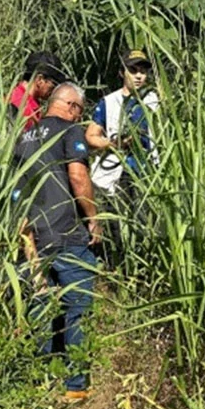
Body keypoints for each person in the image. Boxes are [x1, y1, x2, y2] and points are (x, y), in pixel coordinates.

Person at [12, 82, 102, 401]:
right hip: (67, 236)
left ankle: (38, 386)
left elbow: (16, 197)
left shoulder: (23, 139)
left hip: (34, 242)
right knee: (78, 309)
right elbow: (78, 178)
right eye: (81, 108)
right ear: (73, 108)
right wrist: (93, 218)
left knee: (39, 310)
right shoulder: (70, 131)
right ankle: (76, 387)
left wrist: (26, 243)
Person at [85, 50, 160, 270]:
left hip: (147, 170)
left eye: (143, 71)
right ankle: (119, 268)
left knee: (146, 222)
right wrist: (115, 144)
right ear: (122, 73)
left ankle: (145, 268)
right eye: (133, 70)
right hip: (119, 172)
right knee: (119, 223)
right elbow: (91, 136)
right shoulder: (109, 102)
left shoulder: (153, 100)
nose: (139, 76)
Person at [8, 51, 67, 131]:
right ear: (40, 80)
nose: (54, 90)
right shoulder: (21, 107)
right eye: (54, 84)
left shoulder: (22, 97)